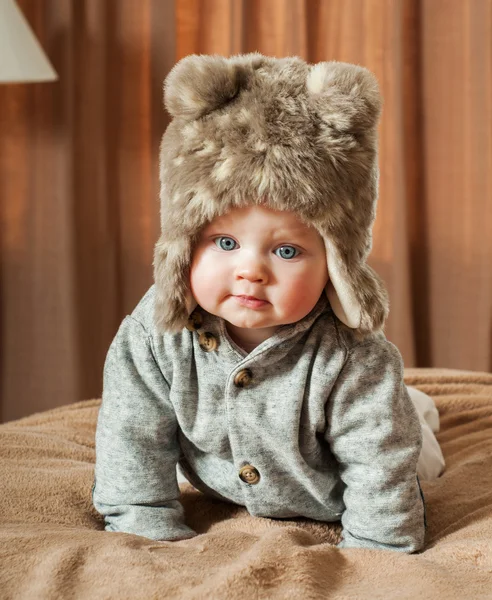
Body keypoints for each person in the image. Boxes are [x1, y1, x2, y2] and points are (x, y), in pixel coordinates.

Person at [93, 53, 445, 552]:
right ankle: (416, 404)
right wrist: (143, 526)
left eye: (286, 251)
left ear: (334, 265)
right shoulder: (154, 335)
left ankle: (416, 411)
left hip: (332, 490)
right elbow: (132, 438)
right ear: (184, 242)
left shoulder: (354, 359)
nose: (251, 270)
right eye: (225, 243)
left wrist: (378, 549)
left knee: (409, 445)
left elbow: (381, 467)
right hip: (223, 482)